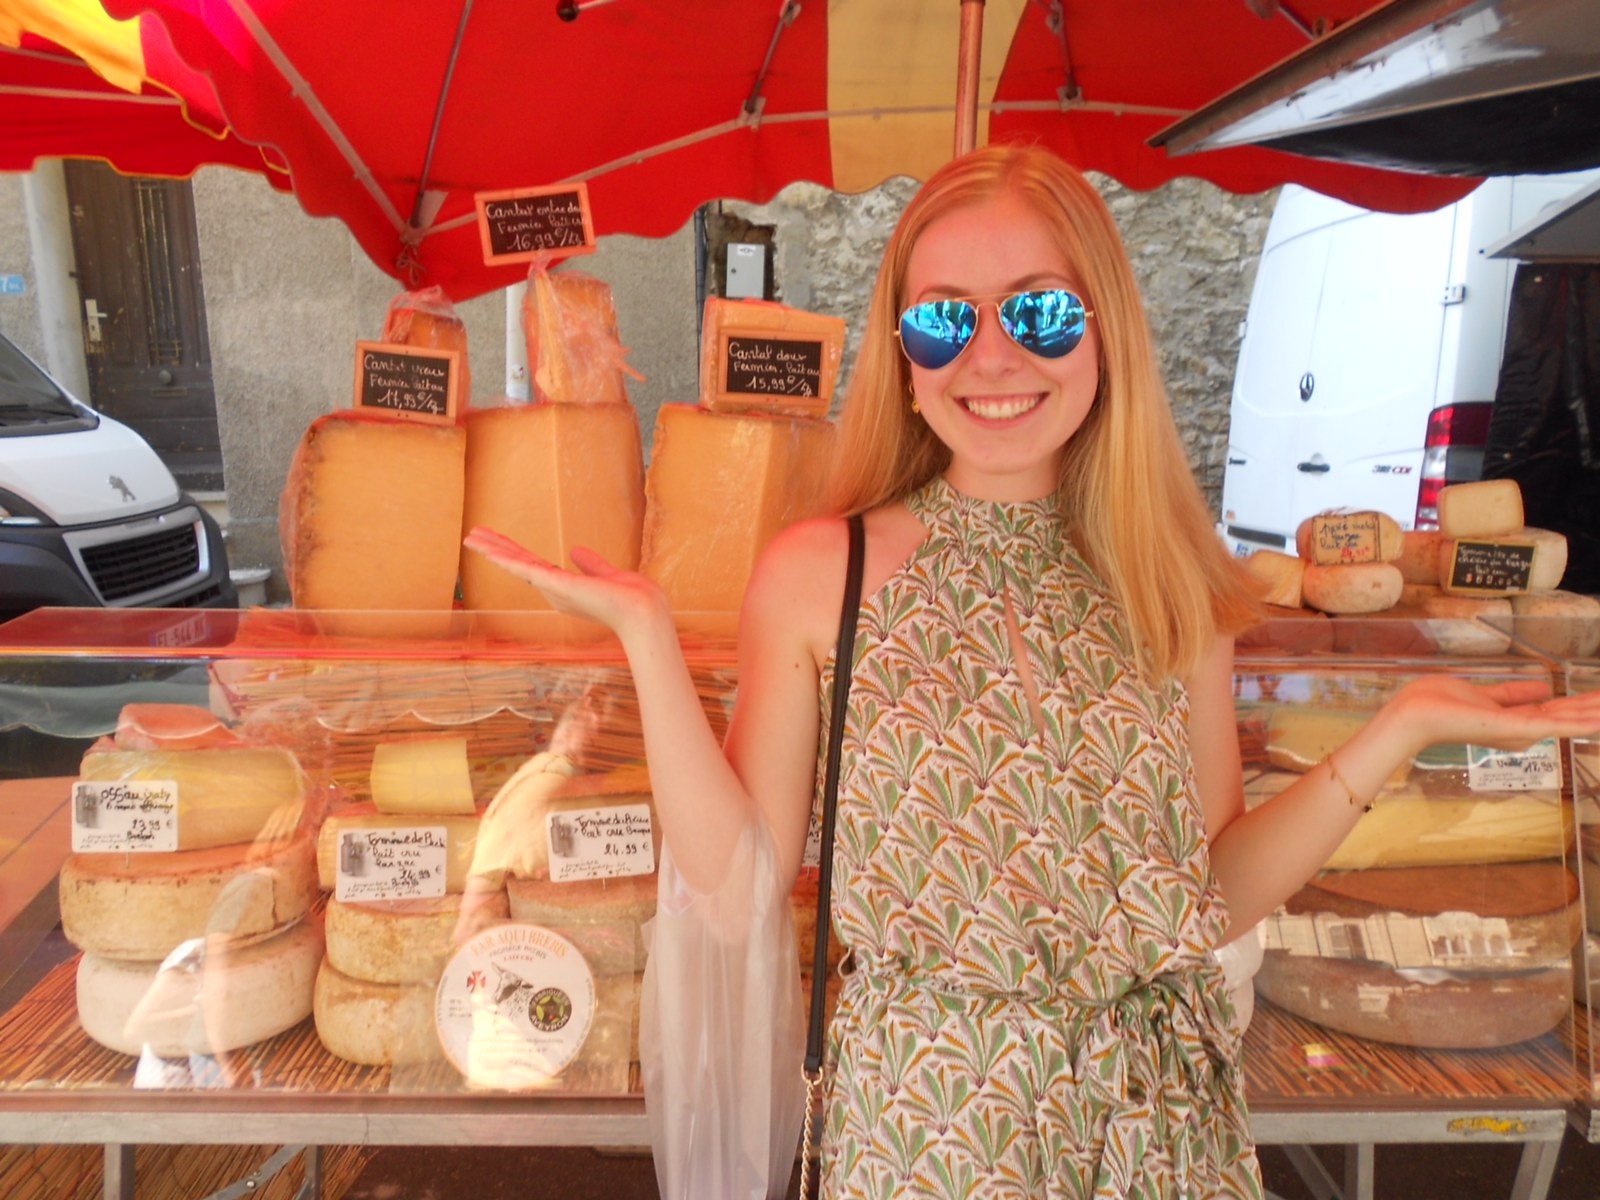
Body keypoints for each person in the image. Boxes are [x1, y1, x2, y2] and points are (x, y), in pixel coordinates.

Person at [464, 144, 1600, 1200]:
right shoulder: (824, 572)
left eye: (1042, 314)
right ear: (902, 357)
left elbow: (1204, 899)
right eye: (940, 321)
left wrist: (1392, 730)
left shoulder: (1164, 576)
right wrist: (648, 641)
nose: (991, 357)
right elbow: (737, 879)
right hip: (926, 1128)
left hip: (1161, 1129)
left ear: (1105, 334)